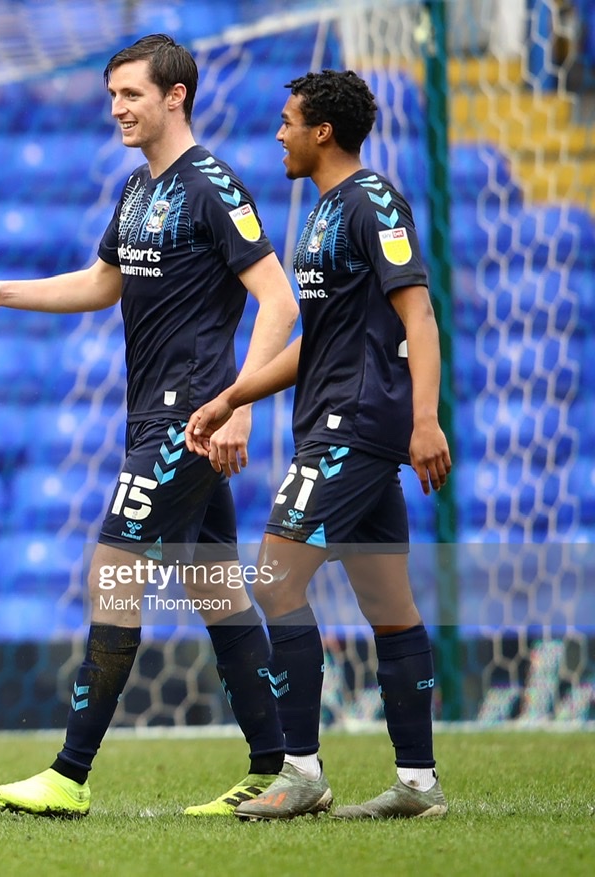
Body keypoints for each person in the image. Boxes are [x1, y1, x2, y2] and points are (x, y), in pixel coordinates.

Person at [0, 34, 300, 818]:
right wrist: (3, 292)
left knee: (113, 571)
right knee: (218, 594)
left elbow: (278, 300)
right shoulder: (138, 191)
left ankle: (69, 772)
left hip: (191, 419)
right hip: (153, 415)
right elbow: (104, 283)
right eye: (112, 95)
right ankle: (279, 767)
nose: (117, 108)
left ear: (176, 96)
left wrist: (240, 403)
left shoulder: (213, 186)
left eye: (131, 94)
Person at [185, 69, 451, 820]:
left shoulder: (372, 201)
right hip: (334, 423)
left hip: (354, 427)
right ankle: (419, 784)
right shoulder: (323, 212)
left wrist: (424, 419)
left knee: (273, 579)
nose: (278, 133)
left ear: (321, 131)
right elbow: (318, 338)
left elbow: (419, 315)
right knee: (389, 607)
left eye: (287, 120)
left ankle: (300, 771)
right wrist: (235, 394)